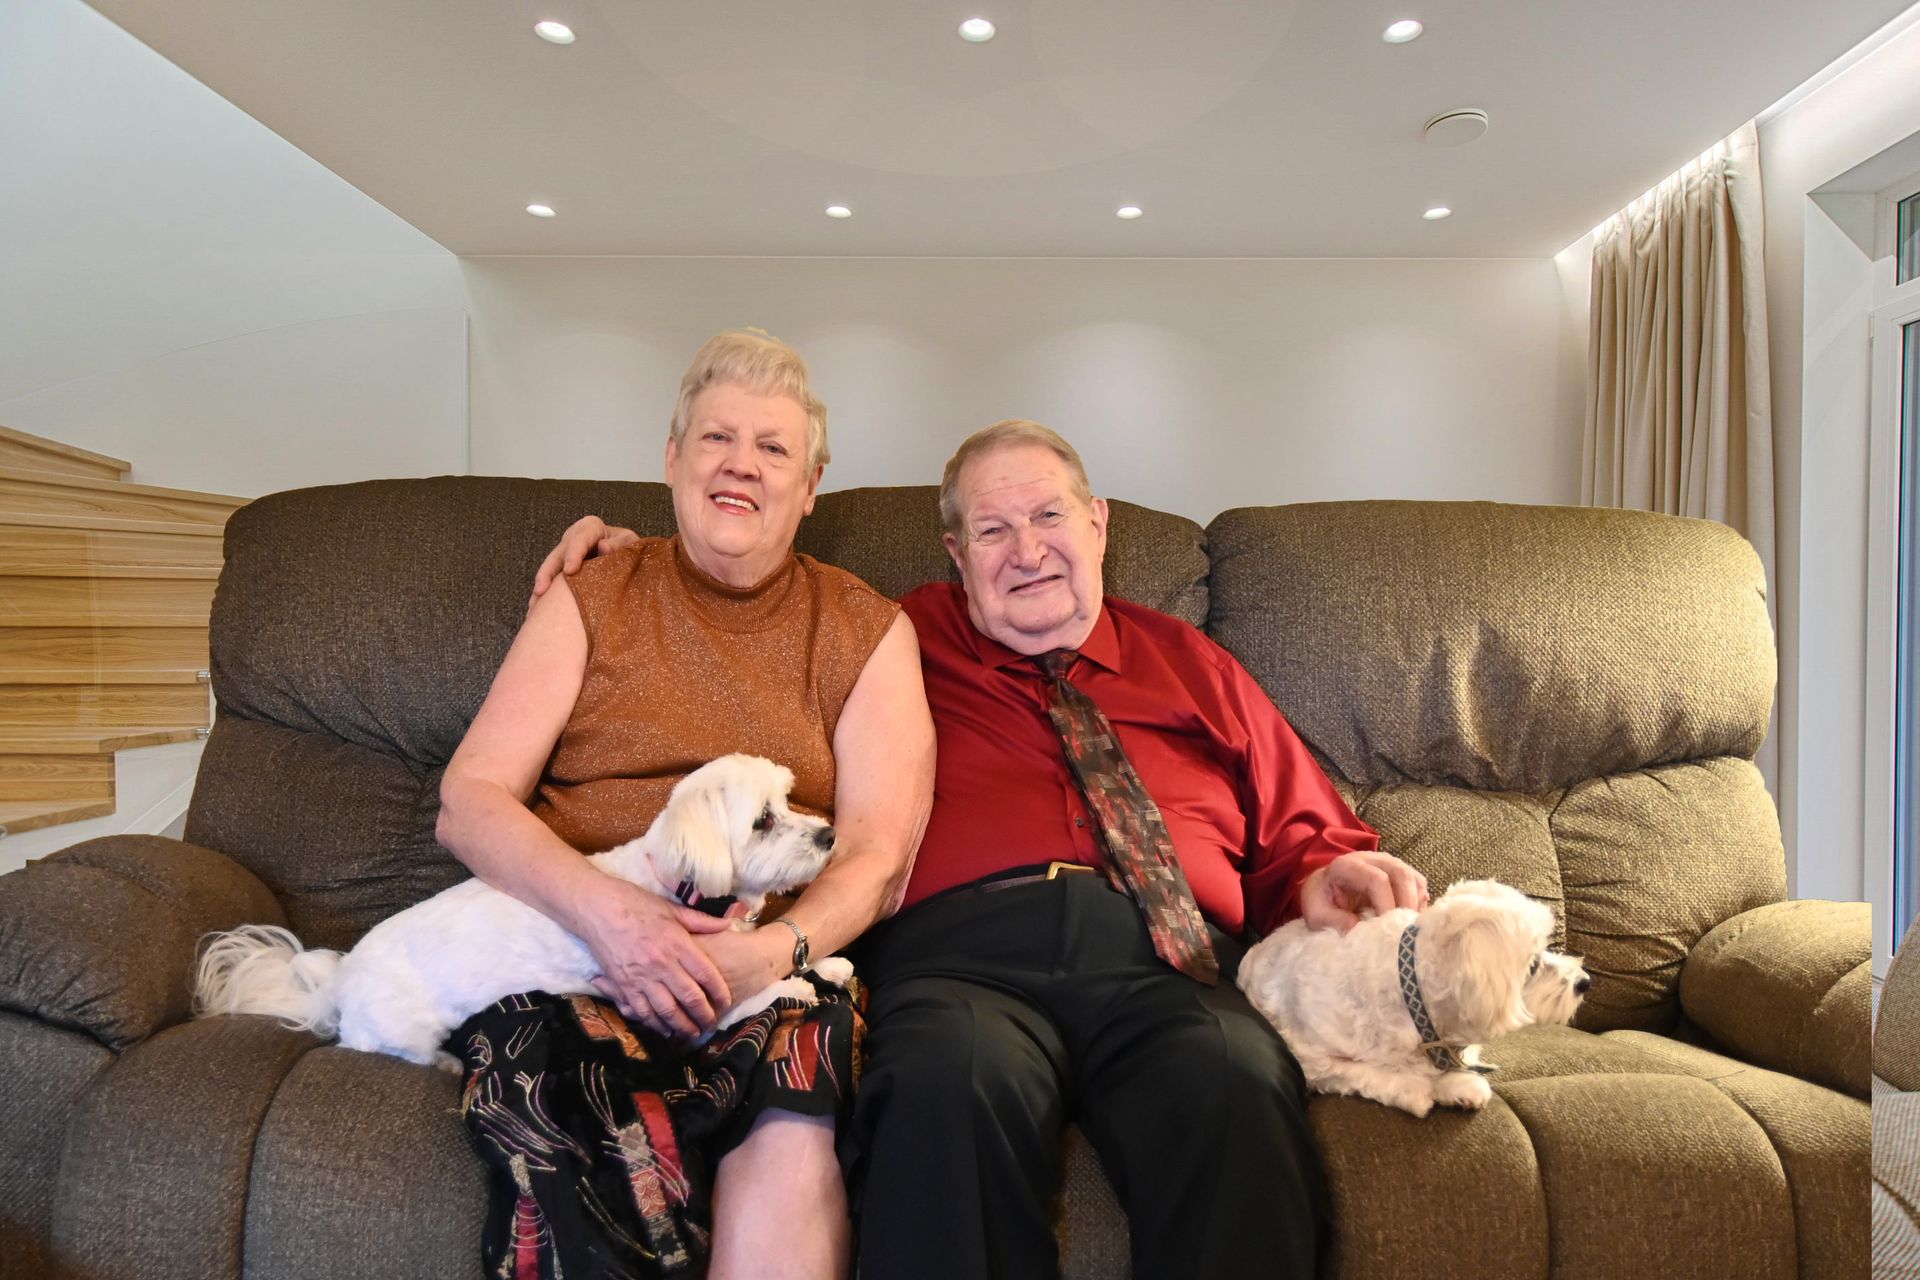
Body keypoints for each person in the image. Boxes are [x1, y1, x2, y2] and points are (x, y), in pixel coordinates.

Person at [539, 420, 1427, 1279]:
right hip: (960, 966)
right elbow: (754, 614)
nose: (1027, 550)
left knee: (1237, 1081)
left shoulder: (1190, 661)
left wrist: (1323, 874)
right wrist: (649, 566)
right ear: (957, 556)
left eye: (1048, 515)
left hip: (1166, 963)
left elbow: (1300, 830)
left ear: (1097, 523)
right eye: (992, 530)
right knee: (944, 1086)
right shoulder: (892, 639)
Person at [438, 330, 934, 1280]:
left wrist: (768, 955)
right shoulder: (591, 593)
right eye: (716, 438)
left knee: (793, 1121)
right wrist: (612, 918)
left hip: (767, 960)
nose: (741, 464)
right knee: (560, 1127)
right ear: (672, 460)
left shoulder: (867, 630)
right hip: (573, 950)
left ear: (811, 485)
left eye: (773, 448)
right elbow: (469, 799)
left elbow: (879, 856)